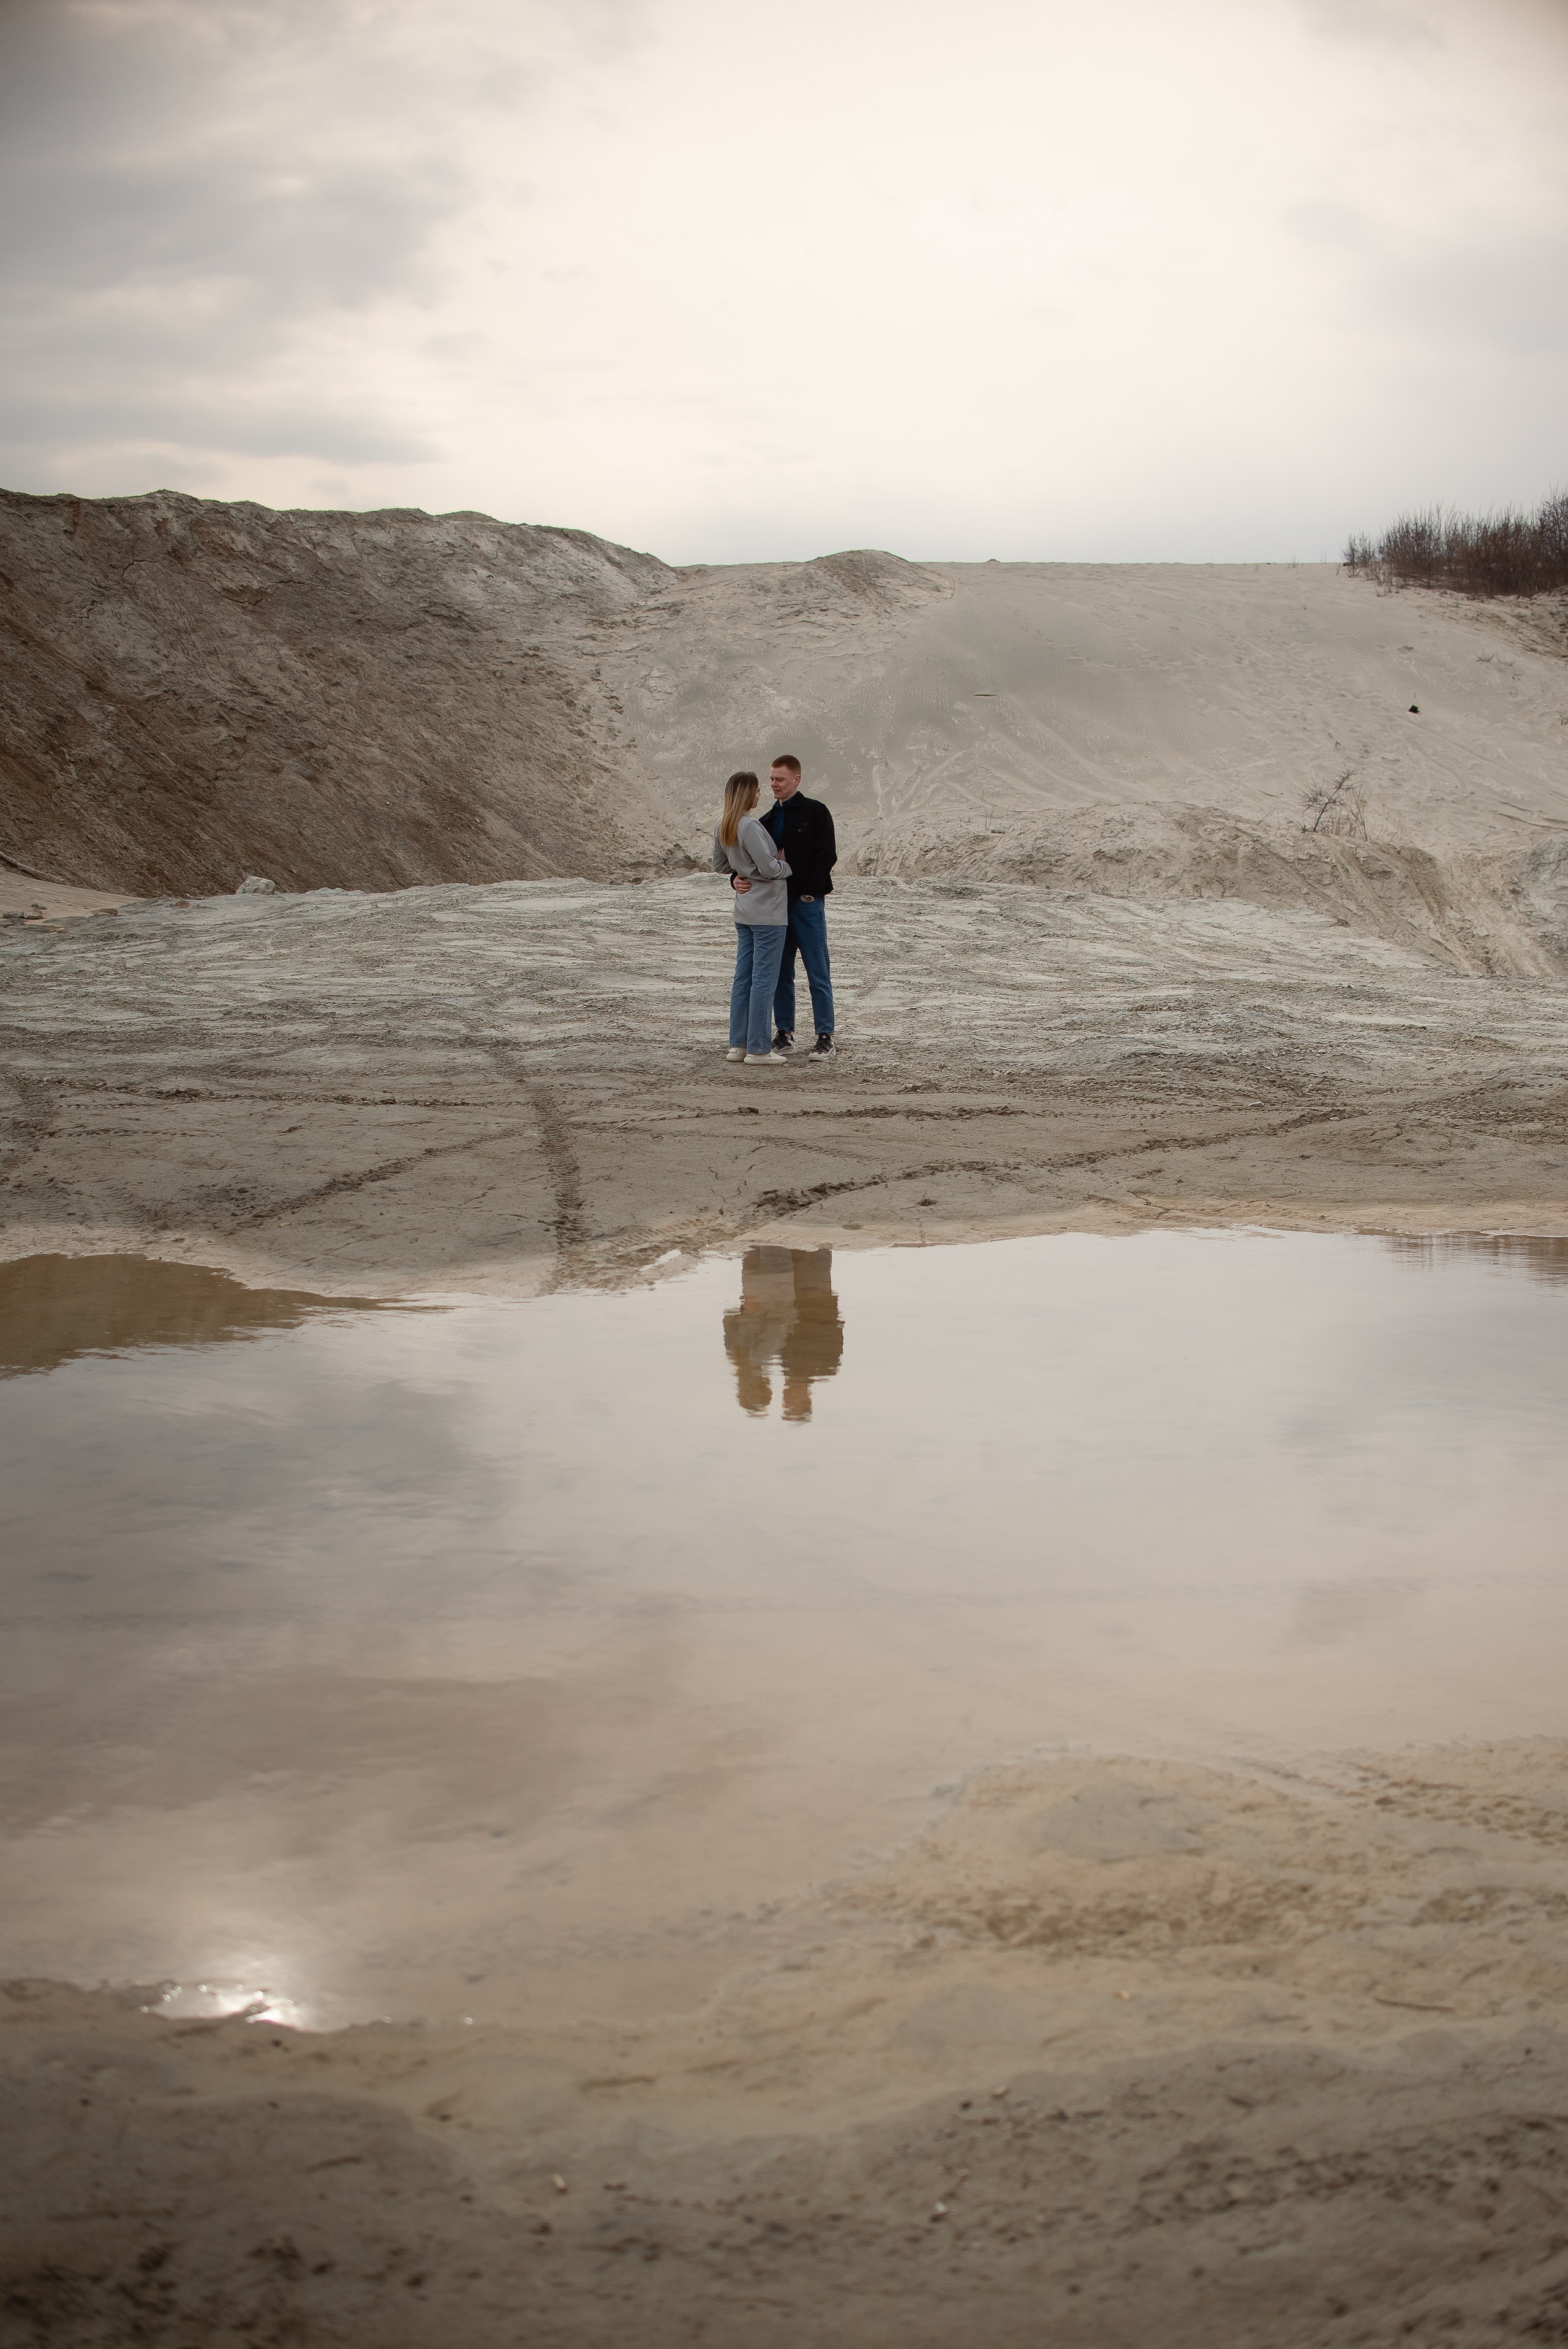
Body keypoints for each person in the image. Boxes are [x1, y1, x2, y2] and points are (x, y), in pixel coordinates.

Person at [735, 754, 837, 1060]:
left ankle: (825, 1036)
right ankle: (785, 1034)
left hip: (806, 906)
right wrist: (734, 879)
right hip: (773, 910)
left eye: (779, 779)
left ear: (797, 779)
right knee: (780, 973)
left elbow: (827, 855)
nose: (774, 784)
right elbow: (750, 861)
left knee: (817, 969)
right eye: (771, 779)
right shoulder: (764, 821)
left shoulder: (816, 811)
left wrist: (808, 893)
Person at [712, 769, 792, 1064]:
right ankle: (759, 1049)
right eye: (758, 790)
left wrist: (739, 874)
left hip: (744, 911)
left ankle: (739, 1045)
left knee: (743, 978)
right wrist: (786, 866)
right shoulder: (750, 826)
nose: (761, 794)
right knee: (764, 981)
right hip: (768, 913)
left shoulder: (722, 824)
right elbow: (770, 869)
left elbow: (720, 865)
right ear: (748, 795)